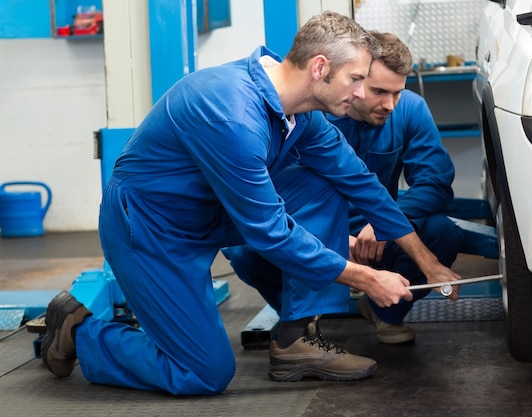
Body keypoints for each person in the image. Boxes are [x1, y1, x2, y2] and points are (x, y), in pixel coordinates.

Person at [41, 11, 460, 396]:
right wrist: (368, 279)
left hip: (211, 213)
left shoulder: (303, 116)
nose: (361, 92)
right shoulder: (233, 115)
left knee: (328, 185)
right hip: (152, 230)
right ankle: (81, 332)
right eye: (356, 78)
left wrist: (428, 264)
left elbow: (361, 183)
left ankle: (295, 338)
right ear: (319, 68)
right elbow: (271, 233)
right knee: (204, 373)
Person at [326, 32, 464, 344]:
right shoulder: (318, 115)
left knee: (443, 232)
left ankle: (383, 313)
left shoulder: (410, 110)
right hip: (320, 232)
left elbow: (435, 184)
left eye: (397, 93)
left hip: (381, 236)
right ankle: (300, 324)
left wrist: (385, 222)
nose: (389, 104)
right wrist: (331, 237)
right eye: (378, 91)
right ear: (355, 79)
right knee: (246, 252)